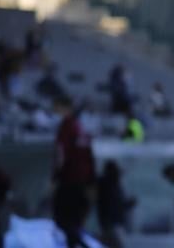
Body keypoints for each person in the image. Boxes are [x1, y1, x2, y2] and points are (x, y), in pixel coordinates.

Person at [53, 96, 96, 248]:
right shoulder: (81, 127)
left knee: (63, 218)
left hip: (69, 180)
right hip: (82, 181)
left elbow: (61, 155)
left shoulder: (66, 127)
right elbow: (89, 155)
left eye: (57, 108)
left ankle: (78, 243)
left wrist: (55, 176)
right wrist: (90, 181)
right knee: (74, 220)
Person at [97, 160, 136, 248]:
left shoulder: (112, 186)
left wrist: (127, 204)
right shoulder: (107, 185)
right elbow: (114, 205)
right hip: (110, 224)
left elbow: (118, 204)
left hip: (112, 224)